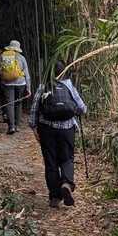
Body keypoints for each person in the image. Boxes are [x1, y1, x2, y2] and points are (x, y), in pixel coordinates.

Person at [29, 69, 86, 207]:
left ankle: (55, 197)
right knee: (67, 159)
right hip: (67, 129)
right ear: (64, 72)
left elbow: (34, 108)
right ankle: (66, 183)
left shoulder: (44, 86)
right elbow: (82, 108)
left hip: (47, 129)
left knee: (51, 162)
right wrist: (74, 111)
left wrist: (34, 127)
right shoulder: (69, 85)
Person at [0, 40, 31, 133]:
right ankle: (17, 126)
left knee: (10, 104)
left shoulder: (2, 57)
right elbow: (27, 75)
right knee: (18, 103)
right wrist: (28, 88)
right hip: (21, 83)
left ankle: (11, 127)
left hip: (7, 83)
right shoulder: (22, 58)